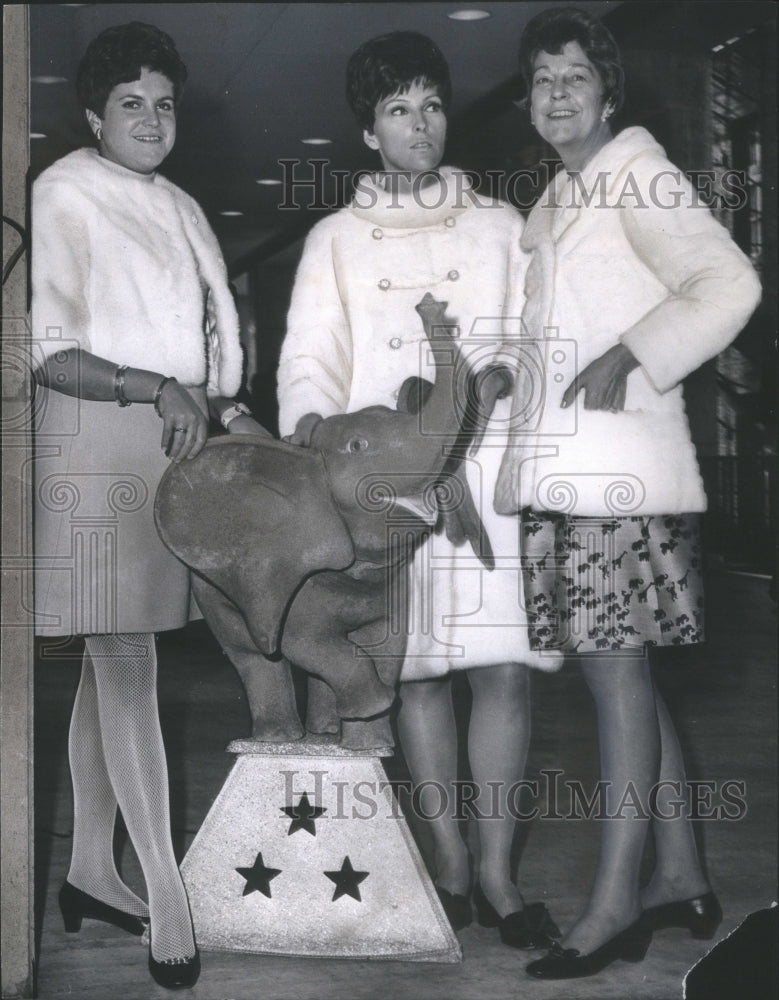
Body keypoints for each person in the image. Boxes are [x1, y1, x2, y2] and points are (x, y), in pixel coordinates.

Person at [492, 6, 762, 979]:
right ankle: (679, 875)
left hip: (620, 480)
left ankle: (613, 904)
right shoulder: (561, 198)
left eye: (574, 75)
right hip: (572, 474)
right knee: (625, 678)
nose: (556, 93)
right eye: (541, 79)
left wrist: (634, 352)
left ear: (608, 90)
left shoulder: (636, 172)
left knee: (614, 680)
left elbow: (728, 283)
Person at [277, 30, 561, 947]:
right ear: (369, 132)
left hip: (486, 473)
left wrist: (505, 375)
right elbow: (309, 366)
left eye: (431, 104)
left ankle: (498, 874)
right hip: (389, 490)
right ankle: (447, 861)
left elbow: (534, 334)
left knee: (505, 670)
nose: (420, 124)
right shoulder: (334, 239)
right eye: (398, 110)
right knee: (421, 676)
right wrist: (322, 446)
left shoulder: (498, 226)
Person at [31, 22, 264, 990]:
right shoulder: (65, 191)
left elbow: (198, 350)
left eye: (164, 103)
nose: (152, 119)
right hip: (95, 442)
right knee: (129, 658)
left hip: (169, 444)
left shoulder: (179, 205)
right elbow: (48, 347)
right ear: (94, 116)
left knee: (112, 658)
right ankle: (167, 893)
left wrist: (229, 408)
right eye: (131, 103)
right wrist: (156, 387)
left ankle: (92, 869)